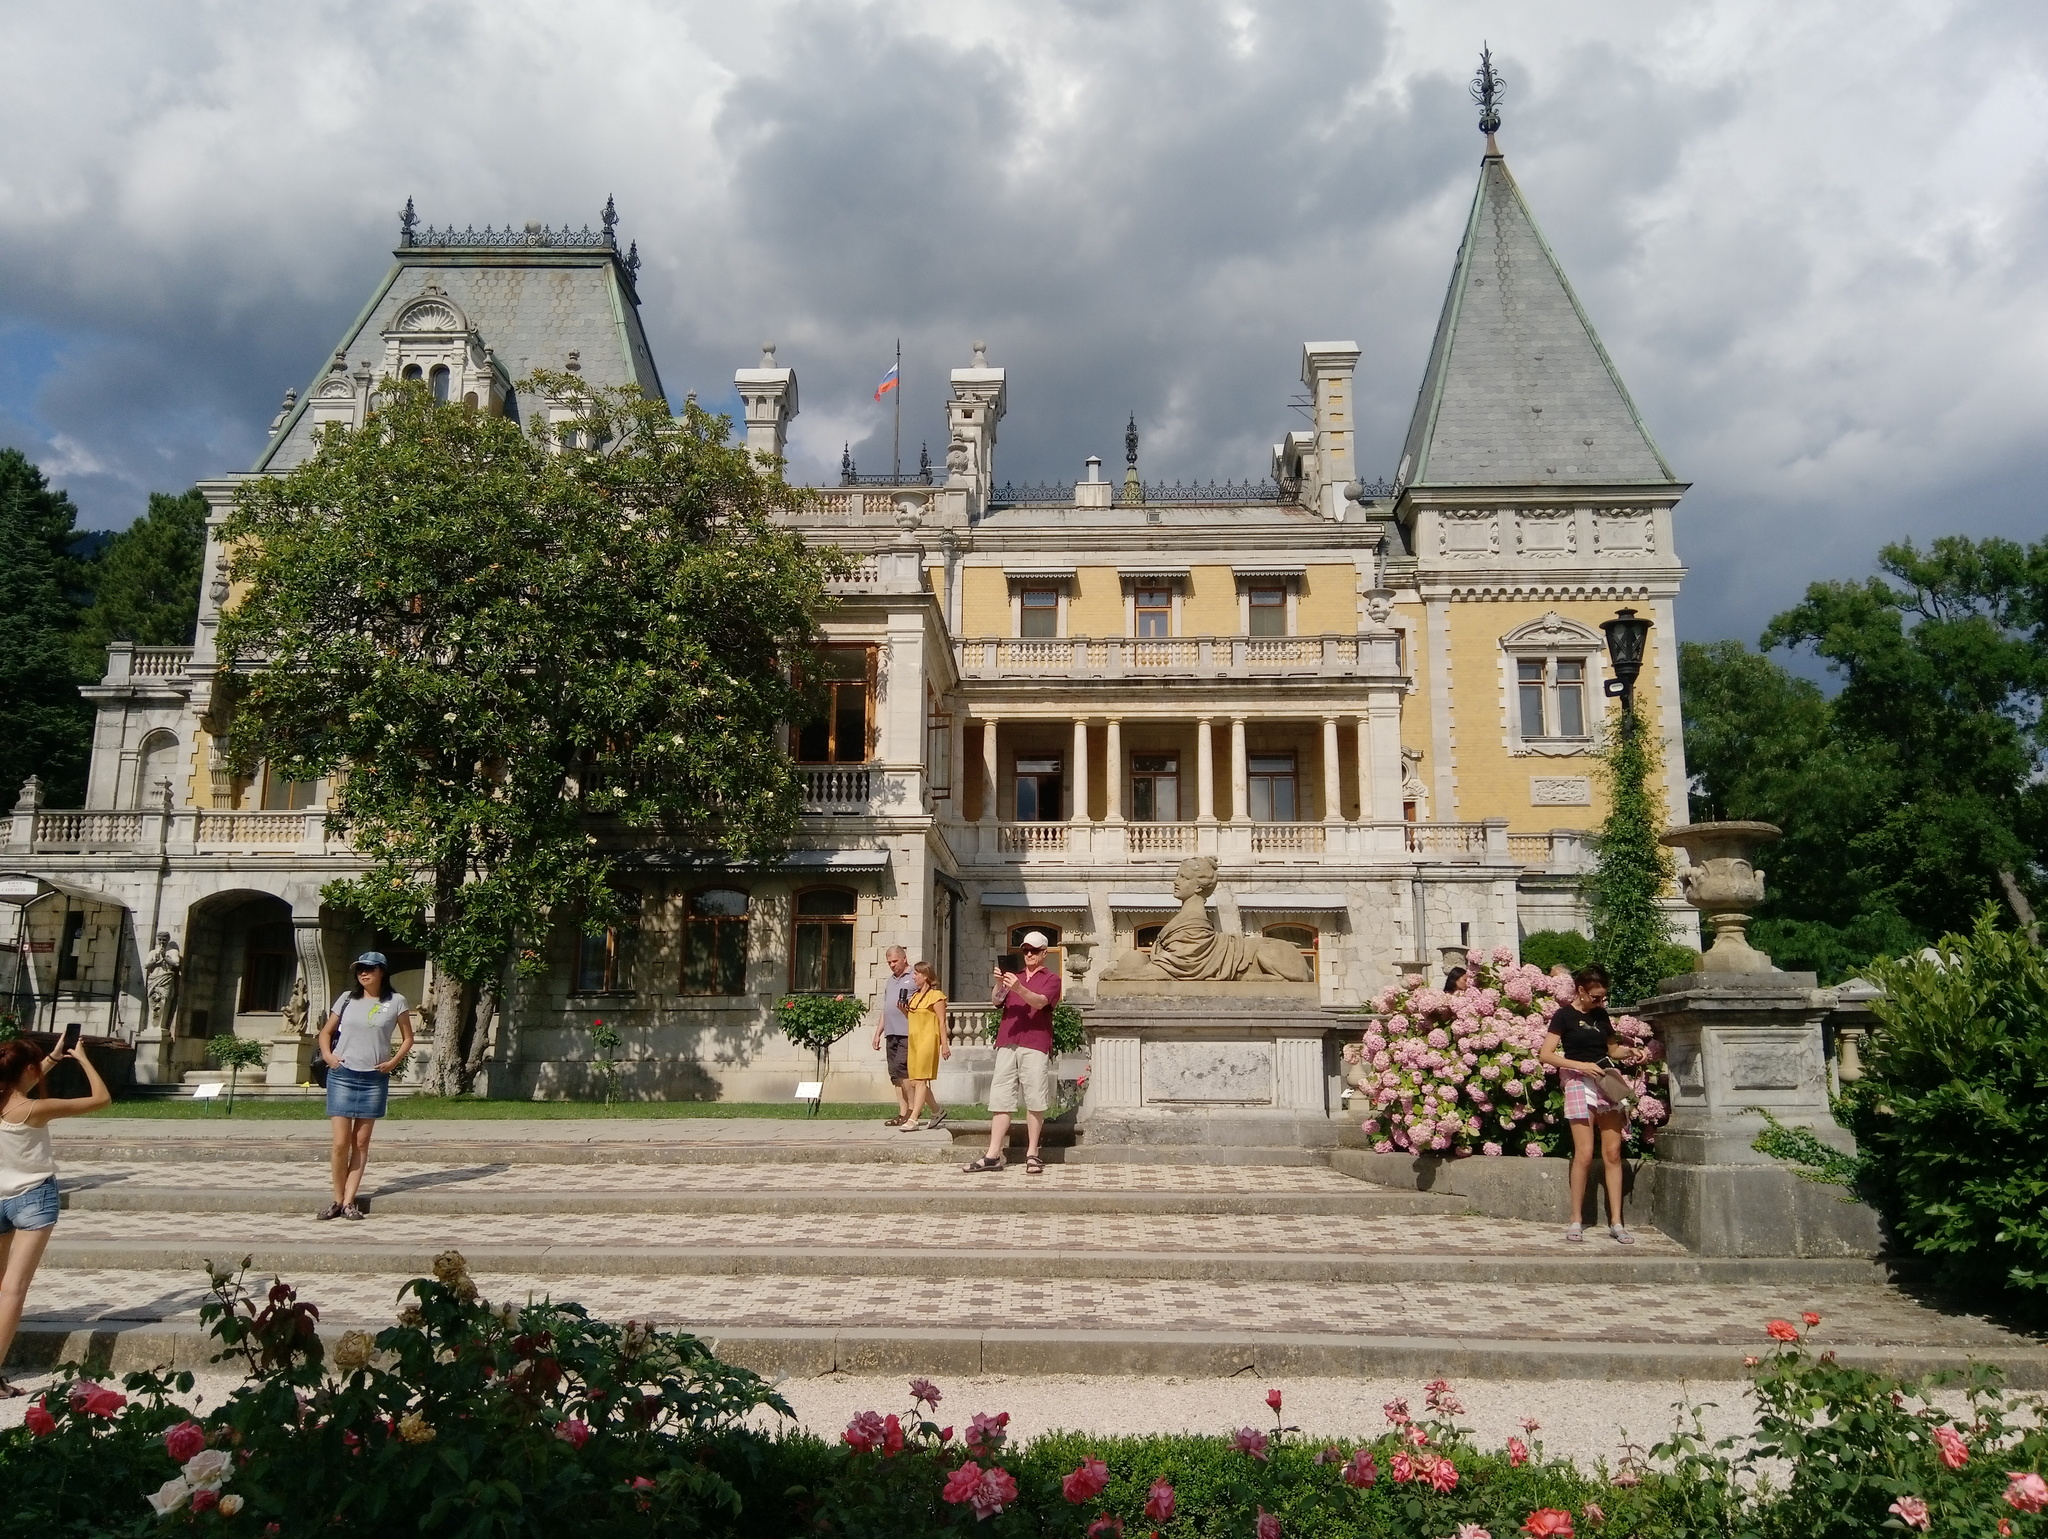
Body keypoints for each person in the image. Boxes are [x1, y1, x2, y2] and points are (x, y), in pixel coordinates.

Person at [0, 1029, 112, 1395]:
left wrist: (48, 1059)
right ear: (28, 1070)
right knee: (13, 1289)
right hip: (33, 1197)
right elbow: (102, 1099)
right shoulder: (35, 1109)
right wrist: (81, 1058)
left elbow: (19, 1085)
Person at [1539, 963, 1645, 1244]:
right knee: (1584, 1153)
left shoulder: (1601, 1015)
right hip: (1577, 1081)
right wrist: (1581, 1066)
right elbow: (1546, 1055)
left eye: (1604, 997)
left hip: (1605, 1081)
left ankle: (1617, 1222)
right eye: (1596, 997)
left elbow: (1611, 1050)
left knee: (1612, 1153)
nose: (1601, 1002)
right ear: (1581, 990)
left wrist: (1631, 1051)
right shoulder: (1563, 1016)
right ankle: (1576, 1219)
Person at [316, 951, 416, 1221]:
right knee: (340, 1143)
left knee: (360, 1142)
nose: (363, 973)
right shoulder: (347, 999)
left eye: (370, 969)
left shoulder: (396, 1001)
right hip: (343, 1074)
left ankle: (349, 1202)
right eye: (360, 968)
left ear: (382, 972)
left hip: (373, 1078)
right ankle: (336, 1199)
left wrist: (393, 1062)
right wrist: (328, 1055)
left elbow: (408, 1037)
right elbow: (325, 1032)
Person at [964, 930, 1061, 1176]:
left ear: (1044, 953)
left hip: (1035, 1042)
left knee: (1035, 1098)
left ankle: (1032, 1153)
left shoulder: (1052, 979)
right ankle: (992, 1154)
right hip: (1008, 1041)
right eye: (1025, 950)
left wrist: (1019, 988)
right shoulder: (1013, 976)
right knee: (1001, 1098)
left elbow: (1040, 1002)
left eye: (1034, 950)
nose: (1029, 954)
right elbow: (997, 1001)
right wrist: (1000, 983)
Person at [870, 945, 918, 1126]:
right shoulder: (890, 981)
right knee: (895, 1075)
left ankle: (914, 1111)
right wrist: (877, 1033)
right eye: (889, 962)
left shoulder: (914, 977)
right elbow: (886, 1009)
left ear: (904, 958)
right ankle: (902, 1112)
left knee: (903, 1070)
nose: (892, 965)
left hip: (907, 1032)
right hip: (891, 1032)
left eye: (895, 961)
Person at [901, 961, 950, 1131]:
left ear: (925, 976)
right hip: (914, 1040)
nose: (913, 977)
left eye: (916, 974)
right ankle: (937, 1111)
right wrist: (903, 1010)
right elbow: (914, 1018)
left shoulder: (936, 996)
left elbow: (942, 1021)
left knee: (921, 1080)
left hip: (928, 1041)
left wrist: (945, 1044)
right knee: (915, 1082)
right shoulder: (914, 997)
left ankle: (913, 1118)